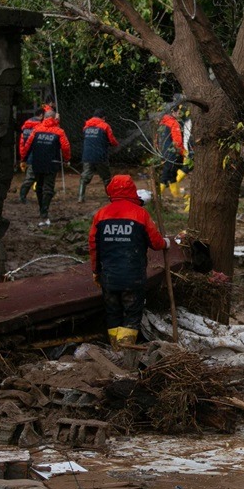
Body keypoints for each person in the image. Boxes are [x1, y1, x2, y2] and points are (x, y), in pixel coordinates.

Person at [89, 174, 168, 348]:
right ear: (132, 190)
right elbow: (156, 243)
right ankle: (125, 352)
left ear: (111, 191)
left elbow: (94, 246)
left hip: (109, 277)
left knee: (112, 312)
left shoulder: (101, 215)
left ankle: (115, 349)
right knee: (132, 314)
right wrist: (166, 243)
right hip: (133, 277)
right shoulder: (140, 214)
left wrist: (96, 271)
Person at [21, 109, 71, 227]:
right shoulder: (59, 131)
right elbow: (65, 147)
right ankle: (44, 214)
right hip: (51, 164)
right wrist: (66, 159)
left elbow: (27, 145)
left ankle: (41, 210)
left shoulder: (36, 130)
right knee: (48, 189)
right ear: (54, 119)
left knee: (39, 187)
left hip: (37, 163)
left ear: (44, 118)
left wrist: (23, 159)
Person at [79, 108, 119, 202]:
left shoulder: (86, 126)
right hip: (100, 155)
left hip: (87, 155)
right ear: (103, 117)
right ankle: (111, 197)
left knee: (85, 176)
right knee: (106, 178)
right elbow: (112, 140)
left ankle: (80, 197)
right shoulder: (105, 126)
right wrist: (116, 144)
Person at [156, 103, 187, 199]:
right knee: (165, 175)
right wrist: (183, 153)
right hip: (172, 153)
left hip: (163, 152)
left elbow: (157, 139)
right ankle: (157, 197)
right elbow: (177, 142)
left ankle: (176, 194)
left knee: (172, 173)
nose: (179, 114)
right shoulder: (174, 123)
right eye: (178, 112)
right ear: (173, 111)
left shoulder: (161, 123)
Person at [17, 107, 44, 203]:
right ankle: (22, 197)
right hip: (37, 155)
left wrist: (23, 157)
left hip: (28, 155)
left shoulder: (26, 125)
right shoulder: (40, 127)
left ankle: (24, 196)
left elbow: (22, 142)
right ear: (41, 115)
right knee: (33, 177)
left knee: (31, 177)